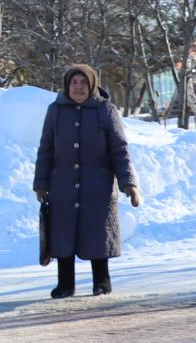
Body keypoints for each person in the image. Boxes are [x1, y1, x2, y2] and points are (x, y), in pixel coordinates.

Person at [35, 63, 141, 297]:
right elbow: (46, 149)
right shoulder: (56, 110)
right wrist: (41, 183)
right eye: (74, 83)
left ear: (92, 85)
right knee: (63, 234)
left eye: (84, 83)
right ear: (67, 85)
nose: (79, 87)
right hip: (61, 184)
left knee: (97, 233)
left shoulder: (105, 110)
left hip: (98, 185)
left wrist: (129, 183)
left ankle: (101, 281)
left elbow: (119, 150)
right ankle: (65, 284)